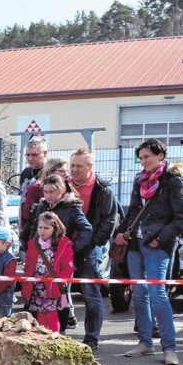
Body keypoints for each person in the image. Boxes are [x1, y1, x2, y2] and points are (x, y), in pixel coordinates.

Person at [115, 138, 183, 365]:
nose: (143, 161)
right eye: (141, 157)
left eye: (147, 156)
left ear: (160, 156)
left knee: (158, 294)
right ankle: (145, 343)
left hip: (158, 246)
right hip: (136, 245)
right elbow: (132, 213)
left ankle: (169, 348)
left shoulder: (174, 181)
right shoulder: (139, 181)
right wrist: (121, 232)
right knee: (139, 294)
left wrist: (159, 239)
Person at [69, 149, 117, 350]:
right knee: (58, 290)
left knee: (90, 293)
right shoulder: (64, 186)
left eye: (79, 166)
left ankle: (91, 337)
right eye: (72, 165)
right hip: (65, 247)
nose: (74, 170)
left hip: (91, 248)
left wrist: (92, 244)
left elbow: (108, 222)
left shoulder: (103, 190)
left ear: (90, 167)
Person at [22, 212, 75, 333]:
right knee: (40, 314)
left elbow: (67, 267)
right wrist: (26, 282)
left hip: (52, 286)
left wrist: (60, 282)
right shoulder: (34, 244)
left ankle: (55, 337)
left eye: (46, 228)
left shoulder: (63, 245)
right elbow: (28, 265)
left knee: (51, 314)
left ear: (55, 229)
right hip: (37, 286)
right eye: (40, 227)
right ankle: (44, 338)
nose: (42, 231)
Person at [20, 156, 69, 235]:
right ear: (50, 172)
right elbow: (26, 214)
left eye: (66, 171)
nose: (66, 174)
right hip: (39, 234)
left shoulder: (68, 189)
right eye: (62, 171)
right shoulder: (36, 189)